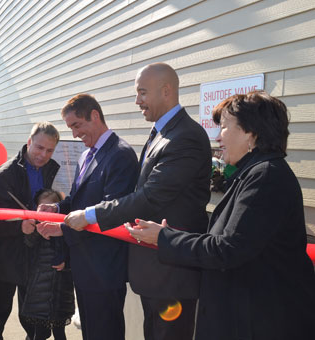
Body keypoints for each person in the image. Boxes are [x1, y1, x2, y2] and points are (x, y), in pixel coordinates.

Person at [129, 91, 315, 339]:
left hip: (259, 322)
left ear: (251, 132)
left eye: (224, 128)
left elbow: (228, 248)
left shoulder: (266, 176)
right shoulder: (253, 173)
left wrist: (164, 238)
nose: (217, 138)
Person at [64, 63, 211, 340]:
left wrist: (91, 214)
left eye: (142, 93)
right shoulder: (163, 132)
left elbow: (151, 197)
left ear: (166, 91)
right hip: (154, 270)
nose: (137, 101)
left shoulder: (185, 137)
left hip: (171, 272)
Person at [37, 94, 139, 340]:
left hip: (105, 268)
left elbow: (113, 212)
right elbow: (77, 200)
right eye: (71, 127)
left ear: (95, 116)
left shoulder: (121, 154)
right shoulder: (87, 155)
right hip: (85, 266)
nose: (74, 134)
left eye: (77, 125)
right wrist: (57, 210)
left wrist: (64, 229)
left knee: (106, 333)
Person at [0, 122, 61, 340]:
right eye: (39, 147)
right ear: (28, 143)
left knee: (36, 322)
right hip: (4, 258)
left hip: (37, 256)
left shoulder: (55, 171)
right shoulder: (5, 174)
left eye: (49, 150)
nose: (43, 154)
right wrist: (20, 226)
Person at [21, 189, 75, 340]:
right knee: (40, 333)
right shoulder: (35, 228)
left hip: (61, 289)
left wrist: (66, 263)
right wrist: (30, 232)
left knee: (59, 332)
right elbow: (28, 245)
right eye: (42, 208)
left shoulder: (65, 230)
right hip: (39, 290)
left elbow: (73, 253)